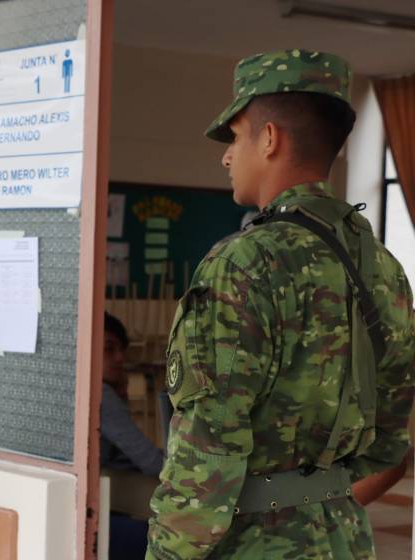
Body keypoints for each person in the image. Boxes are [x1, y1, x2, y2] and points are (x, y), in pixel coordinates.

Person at [146, 49, 415, 559]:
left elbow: (206, 456)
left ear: (269, 139)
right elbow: (387, 448)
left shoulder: (244, 262)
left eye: (234, 136)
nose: (226, 156)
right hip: (346, 539)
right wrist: (318, 498)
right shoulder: (383, 268)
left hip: (251, 544)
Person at [101, 312, 164, 559]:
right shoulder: (100, 394)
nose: (120, 359)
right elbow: (150, 462)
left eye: (121, 350)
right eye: (108, 349)